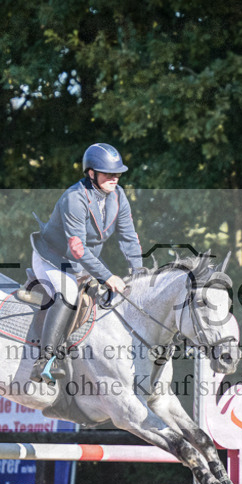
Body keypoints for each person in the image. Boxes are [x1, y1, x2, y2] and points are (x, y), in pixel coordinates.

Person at [30, 142, 144, 383]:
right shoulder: (74, 197)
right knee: (70, 292)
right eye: (109, 173)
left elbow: (128, 236)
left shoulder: (119, 196)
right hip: (53, 258)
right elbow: (77, 248)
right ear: (91, 173)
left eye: (118, 173)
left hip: (83, 262)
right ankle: (44, 361)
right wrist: (107, 276)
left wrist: (138, 269)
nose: (115, 178)